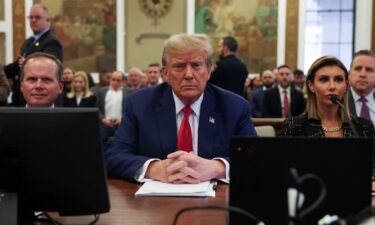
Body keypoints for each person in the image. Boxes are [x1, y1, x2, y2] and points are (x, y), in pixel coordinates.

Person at [106, 33, 256, 184]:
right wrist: (154, 168)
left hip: (214, 203)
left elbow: (255, 155)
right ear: (165, 73)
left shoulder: (234, 107)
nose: (189, 75)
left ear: (209, 71)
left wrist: (217, 167)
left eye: (196, 65)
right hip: (153, 203)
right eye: (179, 66)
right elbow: (114, 156)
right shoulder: (139, 104)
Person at [281, 56, 375, 137]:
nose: (332, 86)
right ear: (311, 86)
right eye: (324, 79)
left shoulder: (364, 126)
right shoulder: (294, 126)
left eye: (338, 79)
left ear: (346, 85)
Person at [4, 4, 62, 106]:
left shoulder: (52, 41)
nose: (33, 20)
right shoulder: (28, 41)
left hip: (41, 99)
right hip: (21, 97)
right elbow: (17, 66)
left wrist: (26, 63)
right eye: (31, 17)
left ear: (48, 21)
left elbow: (51, 67)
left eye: (37, 17)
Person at [96, 70, 133, 145]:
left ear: (122, 81)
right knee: (103, 147)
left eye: (118, 80)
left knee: (121, 146)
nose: (115, 82)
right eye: (113, 80)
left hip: (121, 125)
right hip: (105, 125)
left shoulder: (129, 92)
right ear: (110, 80)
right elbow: (97, 108)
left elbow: (131, 108)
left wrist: (123, 118)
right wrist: (102, 119)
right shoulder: (102, 91)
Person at [348, 50, 375, 125]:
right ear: (349, 74)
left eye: (369, 70)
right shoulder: (338, 103)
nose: (363, 74)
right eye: (358, 69)